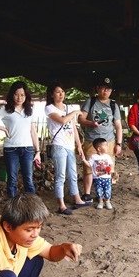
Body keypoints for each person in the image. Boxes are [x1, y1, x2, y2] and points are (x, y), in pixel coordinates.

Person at [0, 81, 40, 198]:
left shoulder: (29, 111)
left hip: (28, 149)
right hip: (11, 149)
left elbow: (33, 132)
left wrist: (38, 151)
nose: (19, 97)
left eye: (22, 95)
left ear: (26, 96)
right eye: (16, 94)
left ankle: (32, 208)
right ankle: (12, 208)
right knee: (12, 179)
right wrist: (2, 128)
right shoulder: (5, 109)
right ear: (12, 95)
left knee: (28, 179)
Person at [44, 82, 90, 215]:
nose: (61, 94)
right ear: (52, 94)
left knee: (73, 174)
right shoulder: (49, 108)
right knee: (60, 175)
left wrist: (79, 145)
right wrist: (75, 112)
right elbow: (62, 121)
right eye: (58, 92)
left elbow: (73, 127)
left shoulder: (67, 107)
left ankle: (77, 199)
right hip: (59, 145)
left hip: (70, 145)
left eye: (63, 92)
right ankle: (61, 205)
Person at [78, 77, 122, 201]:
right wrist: (90, 123)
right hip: (91, 141)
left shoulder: (113, 105)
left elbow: (118, 126)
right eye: (103, 88)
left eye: (108, 89)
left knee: (107, 168)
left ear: (111, 91)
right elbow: (80, 119)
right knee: (89, 167)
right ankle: (87, 193)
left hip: (108, 141)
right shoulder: (90, 101)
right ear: (98, 88)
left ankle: (104, 193)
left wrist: (118, 144)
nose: (105, 91)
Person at [82, 138, 114, 210]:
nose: (107, 147)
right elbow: (90, 165)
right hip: (97, 178)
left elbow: (111, 164)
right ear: (99, 148)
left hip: (107, 177)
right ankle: (100, 202)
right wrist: (84, 160)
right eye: (105, 145)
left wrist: (111, 170)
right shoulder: (93, 157)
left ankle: (108, 201)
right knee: (99, 190)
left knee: (108, 190)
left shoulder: (107, 156)